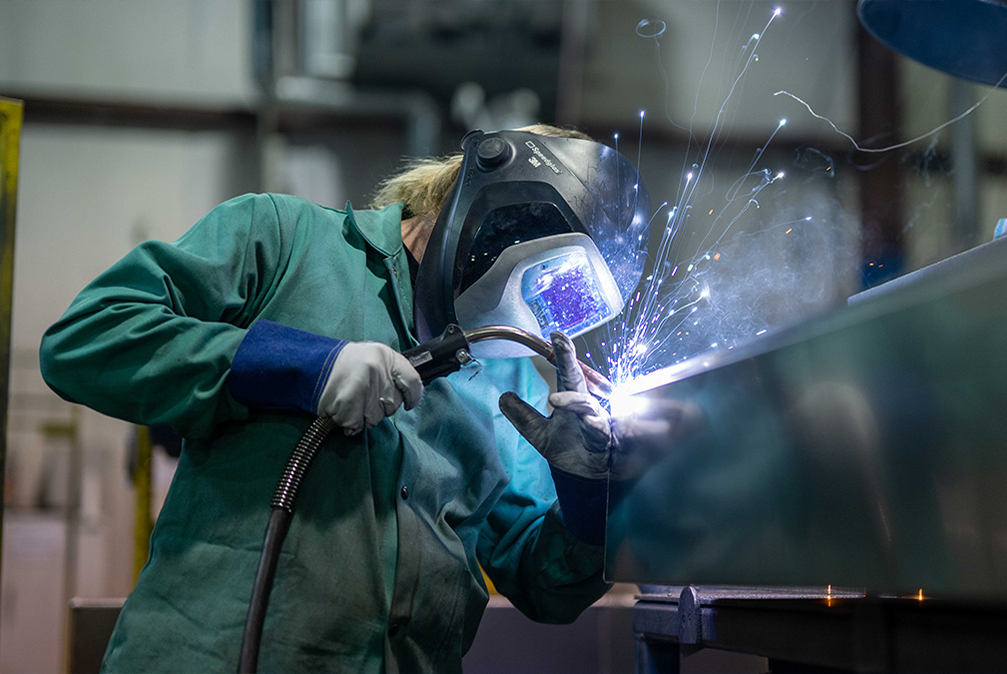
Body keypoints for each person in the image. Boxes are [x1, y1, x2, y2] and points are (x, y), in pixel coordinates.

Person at [40, 124, 646, 673]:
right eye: (548, 279)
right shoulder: (282, 238)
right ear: (505, 209)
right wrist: (305, 367)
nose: (541, 312)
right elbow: (90, 337)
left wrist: (586, 489)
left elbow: (546, 586)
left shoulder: (506, 382)